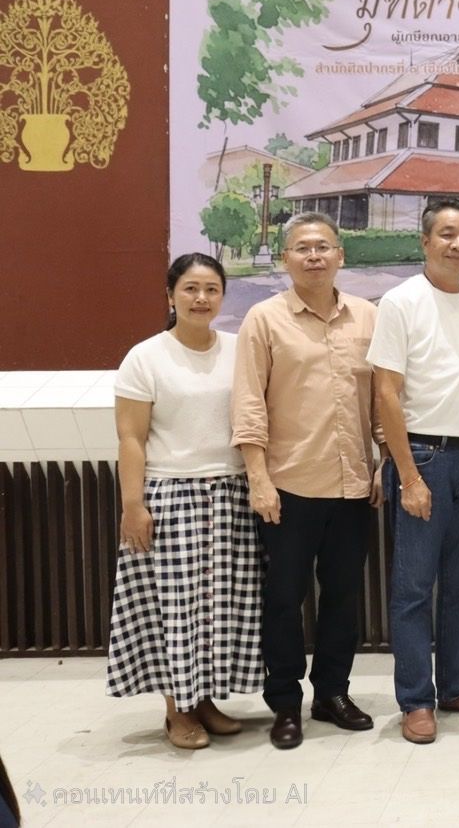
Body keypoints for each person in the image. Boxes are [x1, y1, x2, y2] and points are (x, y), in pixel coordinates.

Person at [368, 200, 459, 744]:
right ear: (426, 241)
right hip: (424, 457)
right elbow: (386, 392)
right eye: (448, 235)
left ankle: (457, 685)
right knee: (413, 587)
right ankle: (416, 699)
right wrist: (408, 476)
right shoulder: (400, 301)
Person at [232, 212, 381, 750]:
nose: (314, 255)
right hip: (288, 486)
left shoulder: (368, 316)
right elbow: (248, 402)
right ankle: (285, 703)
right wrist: (258, 478)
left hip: (353, 485)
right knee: (284, 600)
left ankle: (332, 694)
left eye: (323, 246)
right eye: (302, 247)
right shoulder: (264, 319)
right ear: (285, 259)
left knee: (343, 597)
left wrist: (386, 461)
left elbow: (384, 399)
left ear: (341, 254)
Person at [106, 253, 261, 749]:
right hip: (171, 494)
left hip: (232, 493)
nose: (201, 298)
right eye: (191, 289)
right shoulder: (146, 357)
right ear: (170, 295)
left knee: (220, 608)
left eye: (211, 289)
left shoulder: (239, 349)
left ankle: (205, 699)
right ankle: (178, 711)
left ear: (223, 296)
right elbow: (131, 438)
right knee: (176, 609)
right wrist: (133, 505)